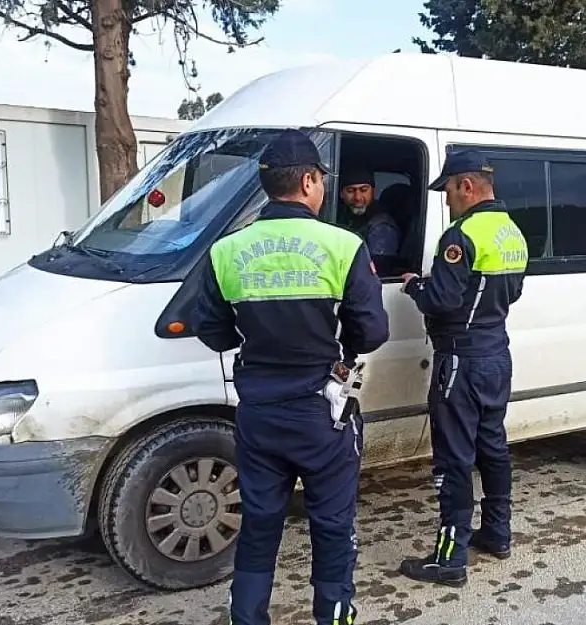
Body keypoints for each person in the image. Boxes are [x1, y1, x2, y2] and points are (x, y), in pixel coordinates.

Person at [190, 129, 390, 624]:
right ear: (306, 181)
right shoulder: (343, 246)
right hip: (322, 411)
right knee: (331, 525)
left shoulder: (226, 251)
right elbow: (373, 330)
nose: (323, 187)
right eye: (321, 178)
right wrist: (342, 346)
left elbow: (211, 330)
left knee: (259, 526)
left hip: (258, 410)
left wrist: (254, 342)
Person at [396, 149, 528, 588]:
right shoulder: (512, 233)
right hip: (496, 355)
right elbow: (512, 294)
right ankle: (497, 532)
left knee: (453, 458)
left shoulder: (461, 236)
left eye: (448, 191)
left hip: (460, 361)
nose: (446, 200)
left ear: (466, 186)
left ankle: (450, 558)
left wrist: (416, 286)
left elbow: (442, 300)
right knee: (492, 445)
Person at [338, 169, 401, 275]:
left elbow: (378, 271)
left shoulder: (382, 226)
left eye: (363, 190)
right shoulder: (340, 215)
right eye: (350, 191)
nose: (357, 197)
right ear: (341, 194)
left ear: (373, 191)